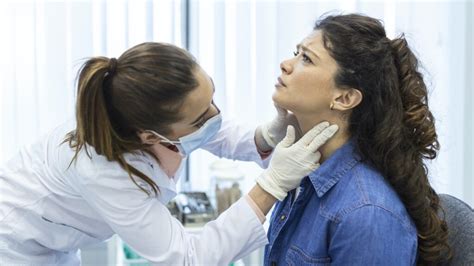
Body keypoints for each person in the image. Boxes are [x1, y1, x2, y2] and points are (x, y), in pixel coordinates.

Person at [0, 42, 338, 265]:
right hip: (19, 249)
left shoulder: (149, 112)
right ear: (150, 135)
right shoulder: (102, 170)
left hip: (57, 243)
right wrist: (271, 186)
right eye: (203, 116)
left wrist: (265, 136)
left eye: (212, 99)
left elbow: (212, 131)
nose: (216, 117)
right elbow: (187, 258)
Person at [264, 13, 451, 265]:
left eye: (306, 59)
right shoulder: (302, 176)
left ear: (345, 98)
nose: (286, 64)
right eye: (296, 53)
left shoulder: (367, 213)